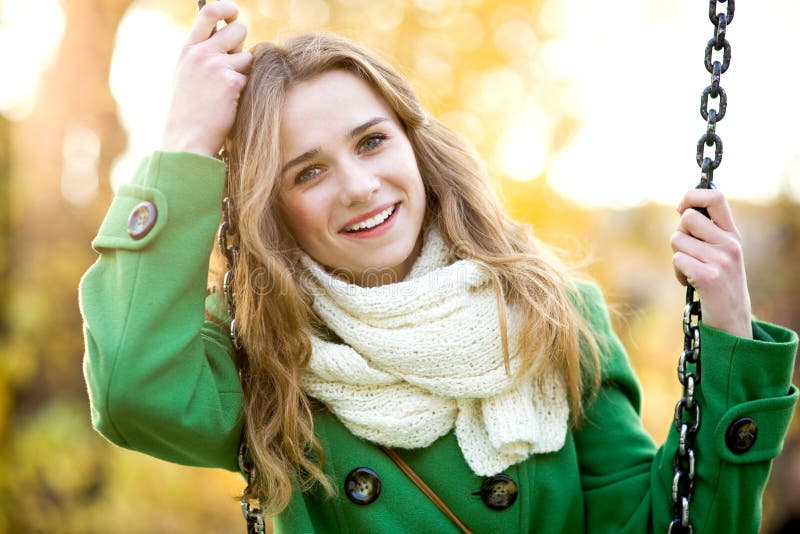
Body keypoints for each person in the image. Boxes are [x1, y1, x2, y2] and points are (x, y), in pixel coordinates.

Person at [79, 2, 798, 532]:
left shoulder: (551, 317)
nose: (359, 186)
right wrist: (184, 141)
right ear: (273, 210)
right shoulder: (267, 358)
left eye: (370, 142)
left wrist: (729, 331)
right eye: (307, 173)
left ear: (414, 147)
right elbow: (131, 389)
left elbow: (664, 527)